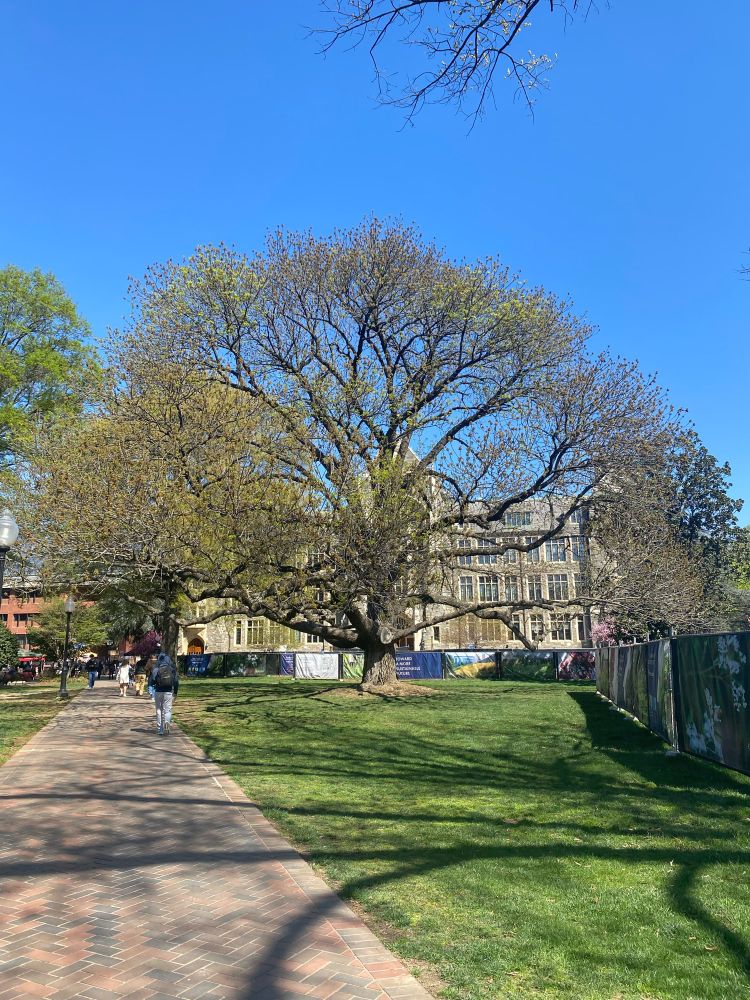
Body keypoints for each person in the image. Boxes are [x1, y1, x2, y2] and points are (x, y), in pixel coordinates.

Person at [150, 650, 179, 735]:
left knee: (159, 710)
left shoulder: (156, 669)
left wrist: (151, 690)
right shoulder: (172, 669)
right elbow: (176, 682)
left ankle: (160, 729)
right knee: (167, 710)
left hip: (158, 691)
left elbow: (152, 681)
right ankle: (167, 724)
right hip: (168, 692)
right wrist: (175, 692)